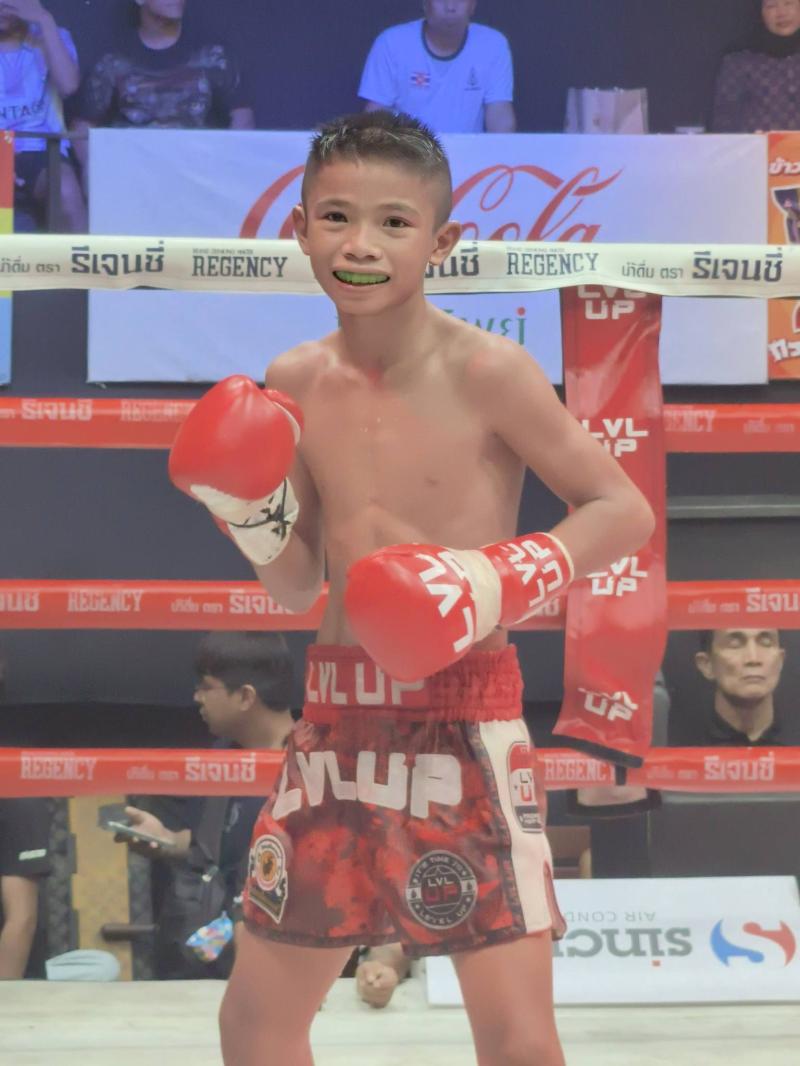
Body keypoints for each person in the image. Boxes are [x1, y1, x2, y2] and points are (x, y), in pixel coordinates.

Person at [168, 110, 654, 1065]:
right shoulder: (293, 376)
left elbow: (622, 510)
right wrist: (245, 511)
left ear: (442, 241)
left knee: (517, 1042)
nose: (362, 244)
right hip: (336, 722)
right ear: (299, 229)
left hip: (463, 716)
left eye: (394, 222)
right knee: (255, 1028)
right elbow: (296, 583)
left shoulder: (490, 370)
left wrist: (485, 577)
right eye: (337, 217)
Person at [119, 631, 294, 979]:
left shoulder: (309, 771)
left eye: (206, 687)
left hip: (276, 960)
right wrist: (167, 840)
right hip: (205, 956)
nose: (196, 697)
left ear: (245, 696)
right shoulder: (221, 756)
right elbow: (212, 847)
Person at [72, 0, 253, 183]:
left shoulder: (212, 54)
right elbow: (82, 126)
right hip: (134, 179)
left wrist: (226, 170)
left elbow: (242, 117)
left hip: (197, 178)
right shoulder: (113, 60)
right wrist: (95, 172)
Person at [359, 0, 515, 133]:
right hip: (408, 154)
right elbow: (376, 114)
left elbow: (500, 114)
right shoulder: (392, 43)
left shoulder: (493, 45)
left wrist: (503, 150)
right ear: (425, 4)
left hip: (469, 154)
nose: (450, 7)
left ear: (473, 5)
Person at [0, 0, 86, 231]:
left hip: (42, 148)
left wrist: (44, 20)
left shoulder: (51, 35)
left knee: (65, 189)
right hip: (0, 148)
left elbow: (69, 86)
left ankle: (80, 254)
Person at [710, 0, 800, 132]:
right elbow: (723, 120)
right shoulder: (739, 61)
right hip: (756, 144)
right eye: (771, 6)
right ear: (760, 13)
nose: (781, 13)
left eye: (788, 3)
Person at [694, 628, 786, 745]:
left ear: (780, 661)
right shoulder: (680, 748)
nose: (753, 659)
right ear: (707, 664)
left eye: (766, 643)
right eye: (735, 644)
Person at [0, 797, 52, 978]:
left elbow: (22, 920)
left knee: (102, 964)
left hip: (10, 977)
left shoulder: (19, 804)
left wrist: (5, 992)